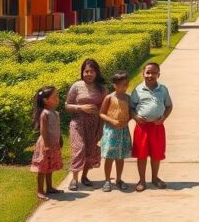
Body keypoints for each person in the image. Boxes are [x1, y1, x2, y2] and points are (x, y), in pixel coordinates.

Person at [65, 58, 108, 190]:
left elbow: (104, 109)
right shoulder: (76, 86)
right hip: (78, 122)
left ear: (96, 73)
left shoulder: (102, 89)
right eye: (86, 71)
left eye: (92, 71)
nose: (89, 74)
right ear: (82, 72)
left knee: (90, 150)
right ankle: (74, 179)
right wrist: (81, 108)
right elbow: (67, 106)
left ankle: (84, 176)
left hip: (94, 124)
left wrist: (101, 127)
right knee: (79, 148)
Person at [130, 61, 173, 191]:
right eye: (148, 72)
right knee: (141, 155)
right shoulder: (137, 90)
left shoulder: (163, 89)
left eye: (154, 73)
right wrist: (136, 117)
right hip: (142, 128)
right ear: (143, 73)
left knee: (156, 154)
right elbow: (131, 108)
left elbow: (169, 106)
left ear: (158, 74)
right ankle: (142, 180)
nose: (150, 75)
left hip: (157, 127)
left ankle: (155, 178)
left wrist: (164, 118)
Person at [98, 70, 132, 192]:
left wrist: (127, 120)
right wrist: (112, 121)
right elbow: (101, 113)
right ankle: (107, 180)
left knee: (120, 157)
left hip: (123, 130)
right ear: (114, 85)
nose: (125, 86)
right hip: (111, 131)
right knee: (109, 156)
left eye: (126, 83)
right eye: (122, 84)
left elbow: (131, 112)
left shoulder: (128, 98)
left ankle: (119, 179)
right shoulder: (109, 98)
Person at [31, 85, 64, 199]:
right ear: (46, 100)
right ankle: (40, 190)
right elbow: (43, 130)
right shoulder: (44, 113)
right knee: (42, 168)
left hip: (54, 144)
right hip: (45, 144)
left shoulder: (55, 113)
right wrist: (46, 145)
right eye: (55, 96)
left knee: (50, 166)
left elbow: (57, 128)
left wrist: (60, 138)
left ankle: (49, 187)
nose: (57, 98)